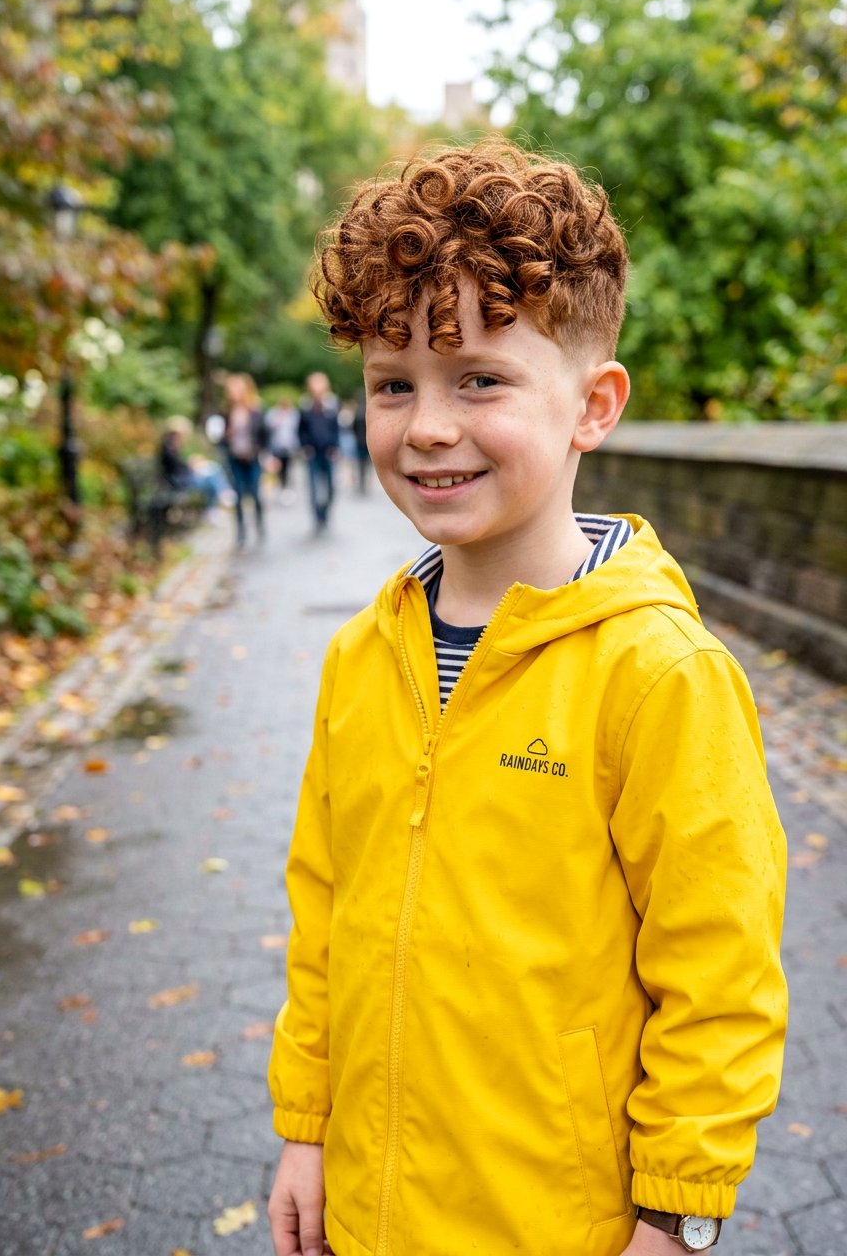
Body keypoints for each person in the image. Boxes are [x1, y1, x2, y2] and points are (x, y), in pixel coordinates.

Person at [266, 140, 788, 1256]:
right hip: (369, 1205)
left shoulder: (657, 675)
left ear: (591, 406)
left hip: (556, 1226)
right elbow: (325, 914)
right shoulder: (364, 654)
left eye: (480, 379)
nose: (426, 426)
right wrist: (304, 1127)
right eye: (392, 383)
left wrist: (673, 1214)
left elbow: (720, 977)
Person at [221, 372, 268, 547]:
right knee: (238, 494)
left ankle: (259, 524)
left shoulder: (255, 410)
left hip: (252, 457)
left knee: (255, 493)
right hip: (235, 457)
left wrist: (262, 452)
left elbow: (264, 434)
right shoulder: (227, 412)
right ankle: (241, 530)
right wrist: (226, 436)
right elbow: (220, 437)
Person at [297, 371, 340, 530]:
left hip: (328, 451)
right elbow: (301, 429)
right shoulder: (305, 405)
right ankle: (317, 516)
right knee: (313, 487)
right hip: (312, 453)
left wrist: (335, 446)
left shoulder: (332, 403)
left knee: (331, 487)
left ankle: (325, 512)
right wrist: (305, 446)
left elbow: (336, 428)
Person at [156, 415, 223, 508]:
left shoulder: (171, 448)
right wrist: (190, 465)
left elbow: (178, 465)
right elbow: (176, 467)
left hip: (180, 479)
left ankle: (220, 496)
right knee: (211, 481)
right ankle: (213, 505)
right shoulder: (168, 449)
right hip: (178, 482)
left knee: (214, 470)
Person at [266, 394, 300, 501]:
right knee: (278, 469)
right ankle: (280, 488)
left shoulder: (293, 414)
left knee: (288, 469)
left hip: (290, 447)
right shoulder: (273, 413)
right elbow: (268, 427)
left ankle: (288, 489)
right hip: (276, 446)